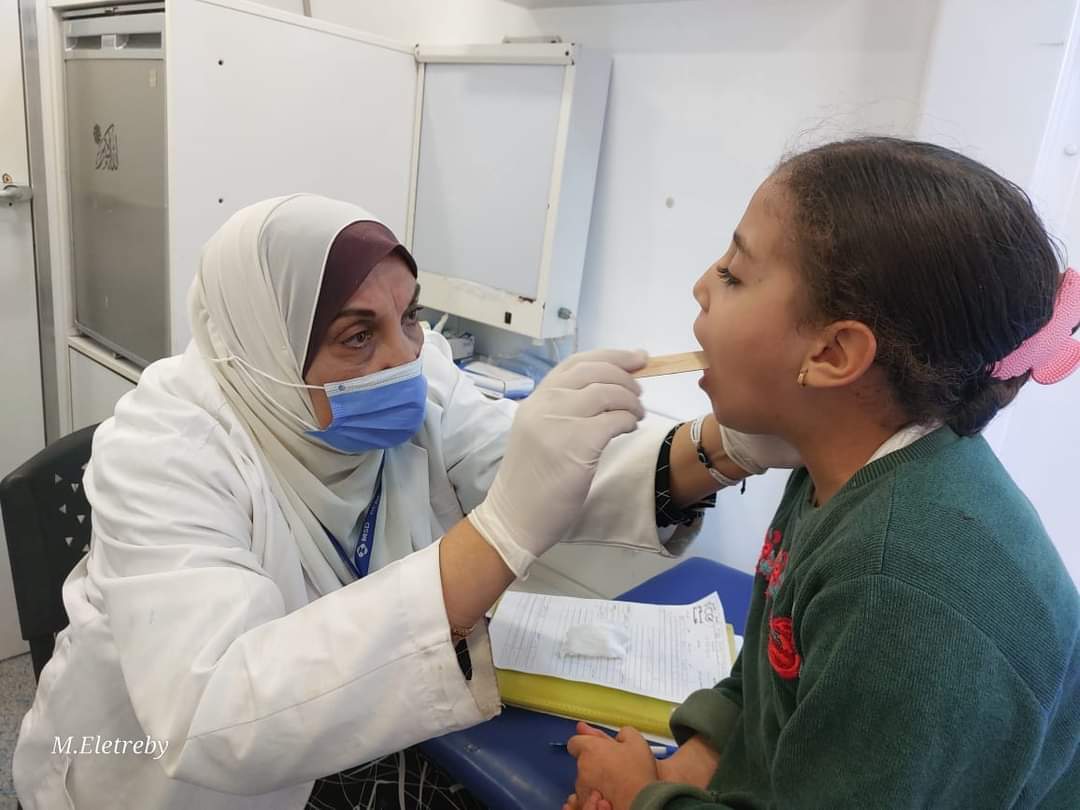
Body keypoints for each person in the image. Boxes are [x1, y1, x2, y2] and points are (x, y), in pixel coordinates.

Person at [13, 194, 797, 810]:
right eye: (358, 336)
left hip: (334, 737)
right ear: (265, 347)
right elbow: (213, 710)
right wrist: (499, 534)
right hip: (159, 782)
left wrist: (726, 446)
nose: (404, 357)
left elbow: (532, 473)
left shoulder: (418, 375)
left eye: (410, 315)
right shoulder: (164, 447)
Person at [564, 137, 1080, 810]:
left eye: (734, 274)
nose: (701, 285)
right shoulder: (836, 463)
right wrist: (696, 760)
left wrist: (640, 797)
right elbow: (774, 675)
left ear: (833, 354)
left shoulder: (899, 589)